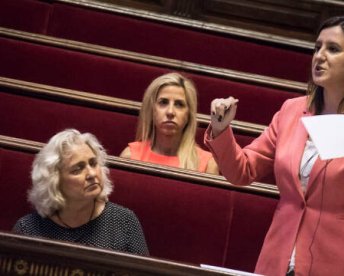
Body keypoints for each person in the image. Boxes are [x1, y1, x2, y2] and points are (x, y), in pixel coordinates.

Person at [205, 16, 344, 276]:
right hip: (281, 259)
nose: (320, 56)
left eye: (333, 49)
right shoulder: (292, 111)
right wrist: (221, 129)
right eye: (317, 48)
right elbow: (242, 171)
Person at [13, 129, 149, 256]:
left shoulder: (124, 221)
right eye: (77, 169)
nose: (91, 174)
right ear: (54, 181)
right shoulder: (28, 229)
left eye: (93, 163)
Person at [120, 72, 218, 174]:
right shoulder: (130, 156)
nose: (170, 112)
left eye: (179, 104)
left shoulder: (208, 165)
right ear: (152, 110)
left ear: (189, 115)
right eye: (163, 102)